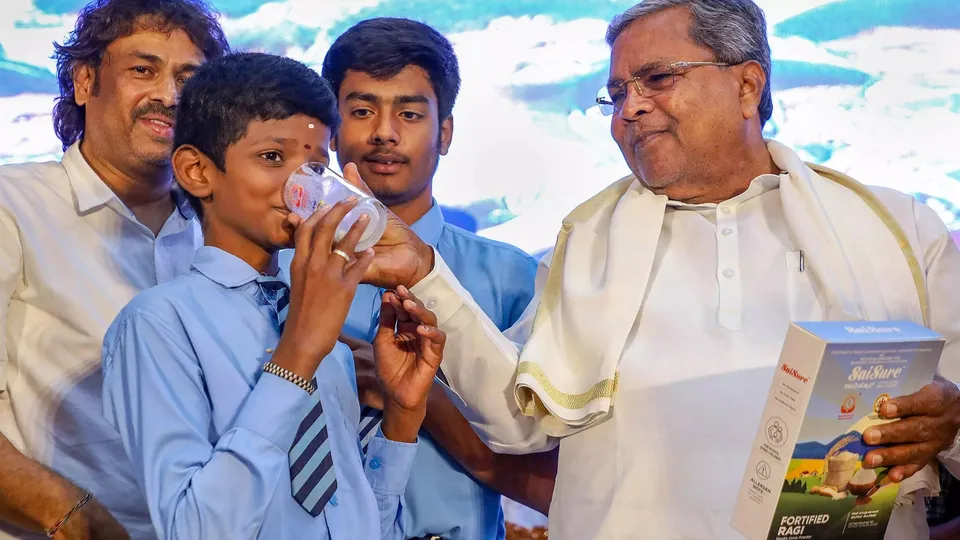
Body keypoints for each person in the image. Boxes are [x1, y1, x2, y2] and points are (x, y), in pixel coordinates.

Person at [351, 1, 960, 539]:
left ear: (748, 86)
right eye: (617, 94)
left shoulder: (898, 230)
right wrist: (426, 272)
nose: (631, 108)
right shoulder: (590, 245)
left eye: (658, 79)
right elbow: (517, 422)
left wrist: (950, 423)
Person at [101, 51, 448, 540]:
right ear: (197, 171)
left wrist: (402, 419)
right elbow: (196, 529)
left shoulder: (318, 329)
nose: (301, 189)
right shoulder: (158, 324)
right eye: (272, 158)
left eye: (316, 167)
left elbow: (359, 522)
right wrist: (297, 355)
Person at [302, 17, 557, 539]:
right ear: (331, 129)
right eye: (361, 111)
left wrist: (421, 399)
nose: (384, 132)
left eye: (410, 113)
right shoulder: (284, 271)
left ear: (445, 133)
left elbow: (556, 481)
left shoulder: (513, 278)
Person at [0, 1, 228, 538]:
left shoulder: (225, 232)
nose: (169, 95)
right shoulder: (14, 206)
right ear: (85, 82)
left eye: (188, 78)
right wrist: (71, 514)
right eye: (143, 69)